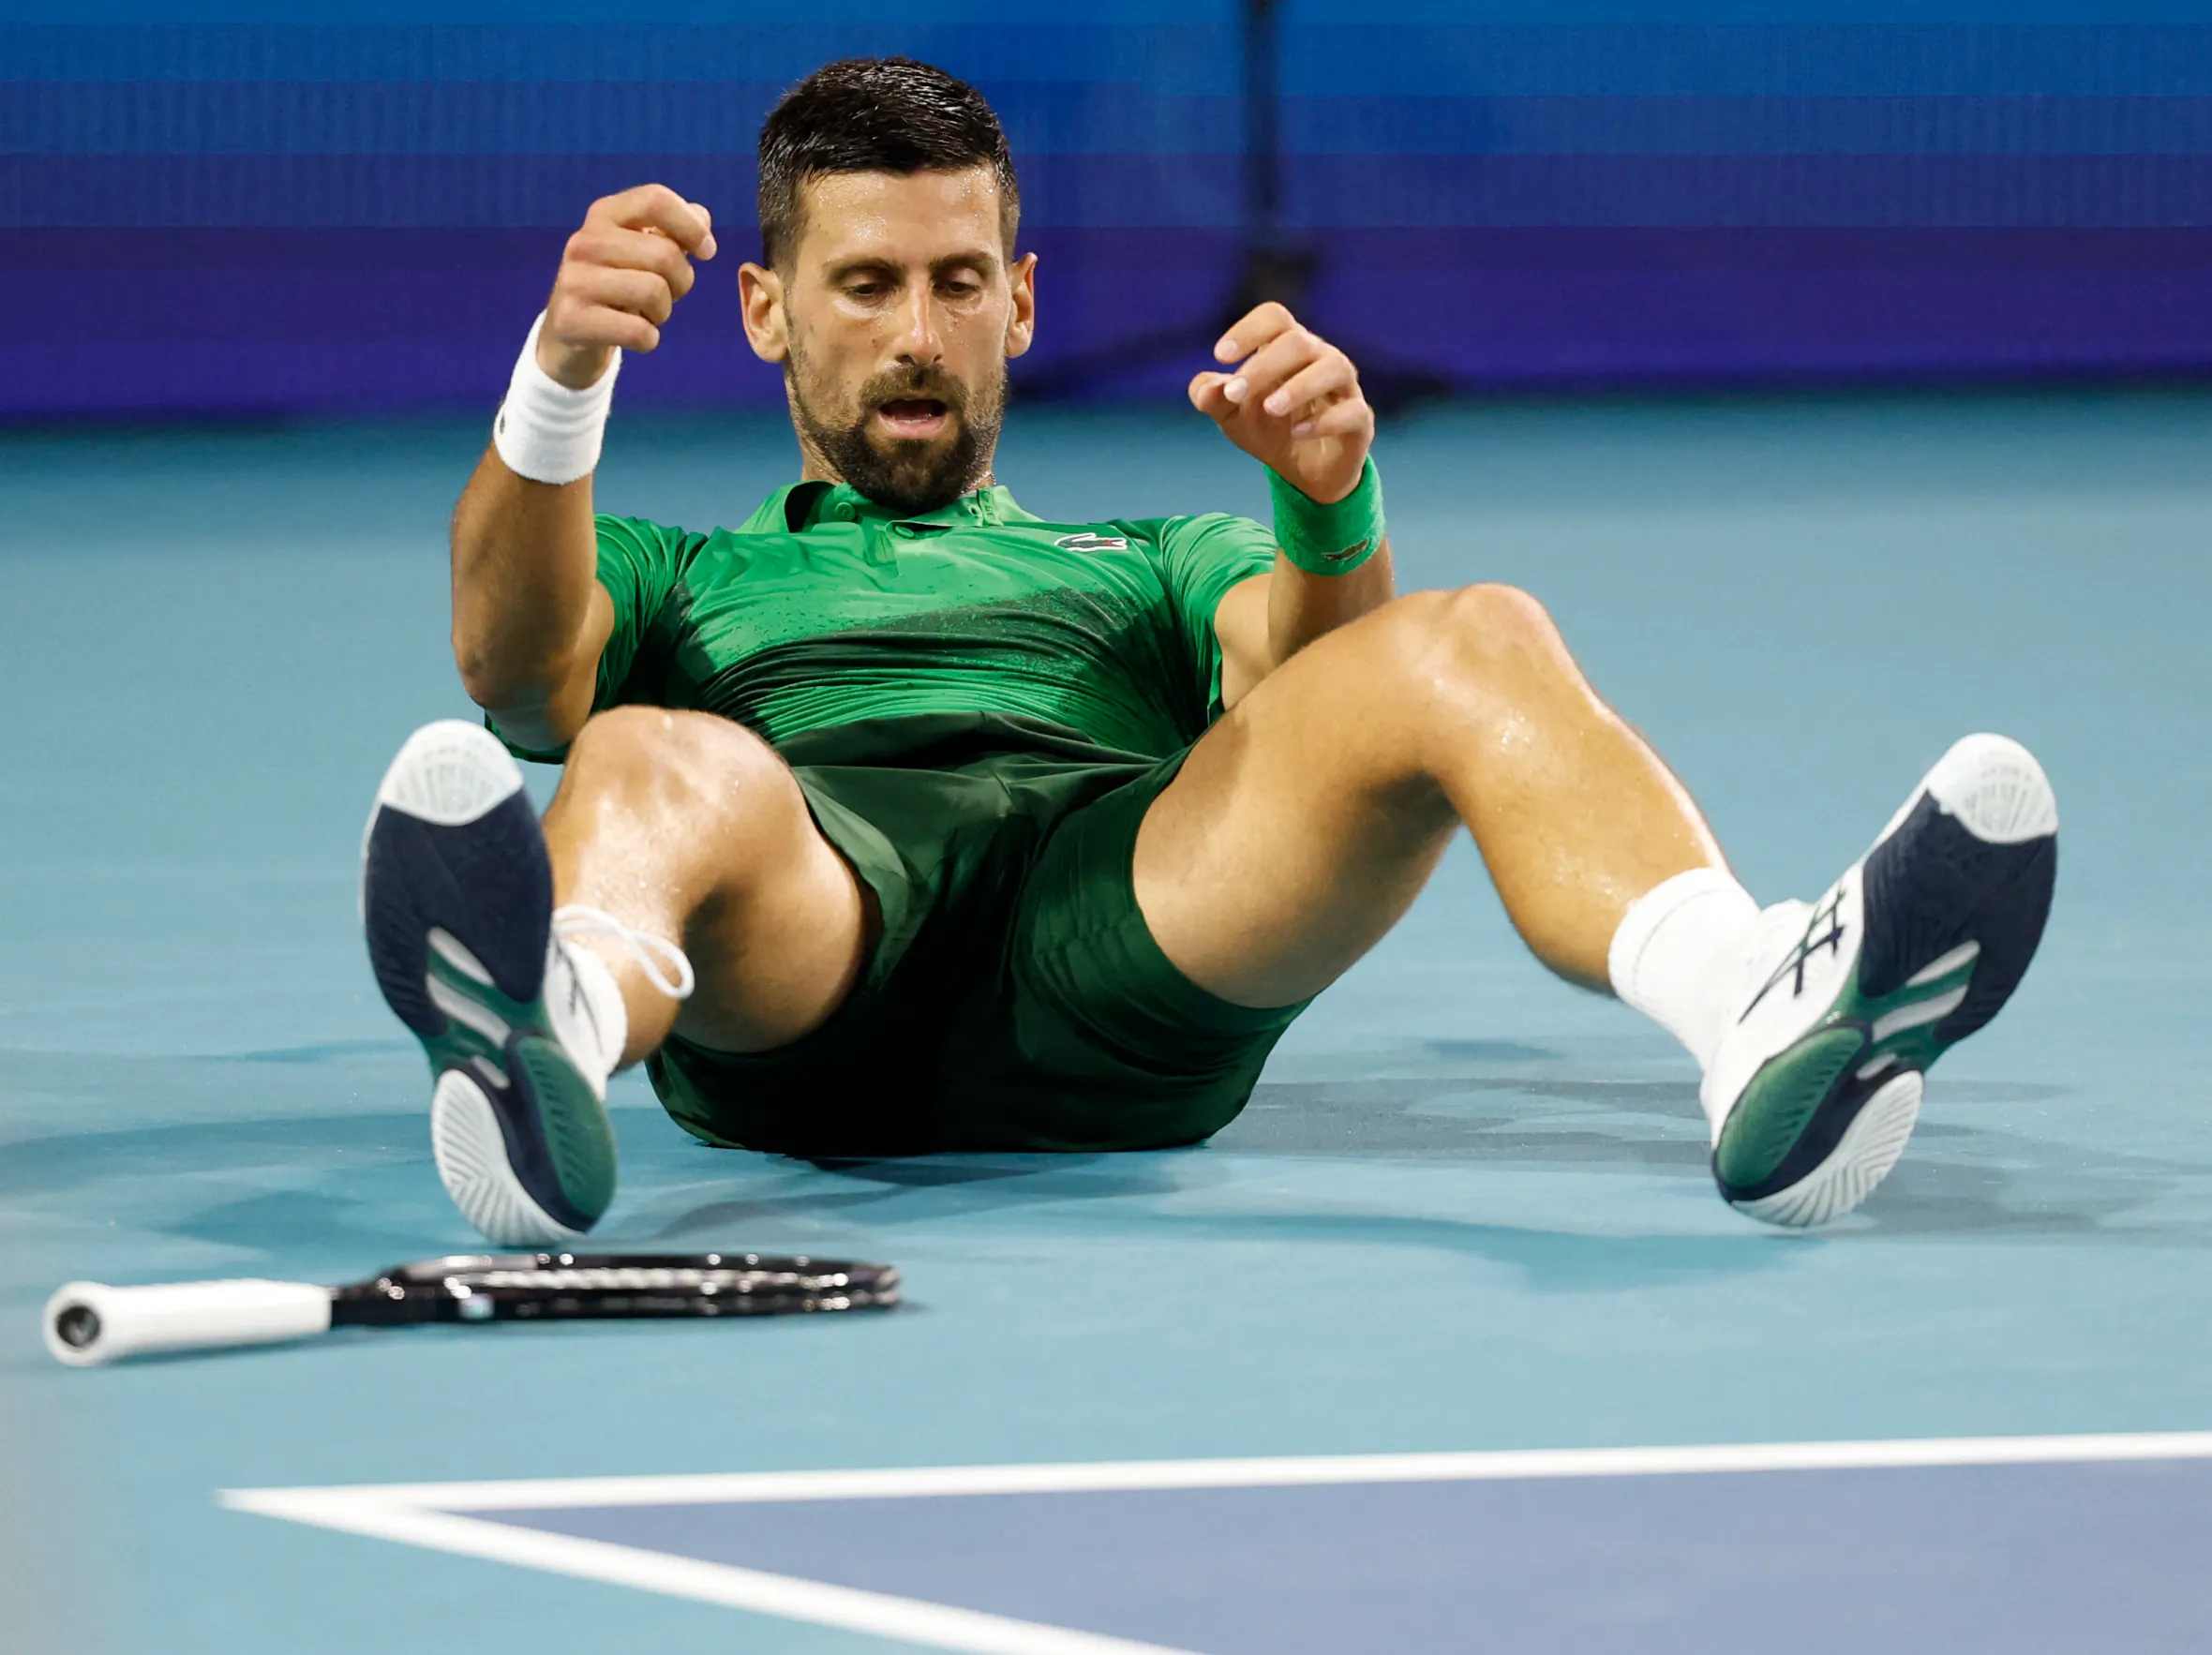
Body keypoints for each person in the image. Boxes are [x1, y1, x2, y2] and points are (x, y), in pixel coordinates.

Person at [360, 57, 2057, 1246]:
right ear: (766, 310)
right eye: (865, 283)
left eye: (960, 281)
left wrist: (1328, 507)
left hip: (1130, 946)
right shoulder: (681, 571)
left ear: (1022, 301)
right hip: (810, 959)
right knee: (652, 750)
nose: (917, 331)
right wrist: (562, 376)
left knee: (1474, 632)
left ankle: (1752, 1012)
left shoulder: (1151, 559)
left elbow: (1321, 702)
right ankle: (546, 1043)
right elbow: (515, 670)